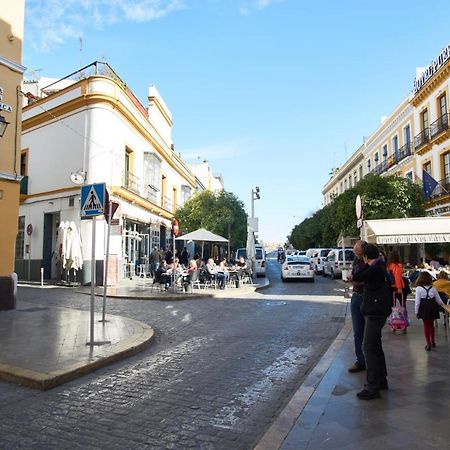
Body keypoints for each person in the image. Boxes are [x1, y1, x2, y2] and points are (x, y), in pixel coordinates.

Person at [352, 244, 390, 400]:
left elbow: (358, 276)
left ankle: (372, 386)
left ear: (366, 257)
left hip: (375, 311)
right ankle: (381, 380)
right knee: (375, 346)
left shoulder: (374, 267)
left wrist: (365, 263)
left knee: (368, 347)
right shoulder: (380, 265)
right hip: (378, 310)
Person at [346, 240, 367, 373]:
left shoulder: (370, 262)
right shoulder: (356, 261)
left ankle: (369, 360)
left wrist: (354, 278)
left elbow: (367, 279)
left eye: (356, 248)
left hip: (367, 297)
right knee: (358, 331)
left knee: (369, 332)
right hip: (356, 296)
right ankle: (360, 360)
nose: (354, 250)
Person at [415, 271, 450, 351]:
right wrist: (444, 306)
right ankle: (433, 341)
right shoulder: (433, 288)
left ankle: (428, 343)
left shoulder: (419, 289)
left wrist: (416, 312)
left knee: (426, 325)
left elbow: (417, 302)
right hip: (432, 307)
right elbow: (439, 300)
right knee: (431, 324)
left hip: (424, 308)